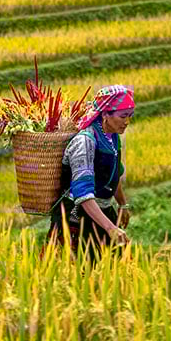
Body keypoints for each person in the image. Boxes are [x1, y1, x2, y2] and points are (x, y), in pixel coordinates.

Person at [46, 84, 134, 263]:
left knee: (118, 276)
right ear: (105, 114)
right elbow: (83, 195)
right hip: (78, 218)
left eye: (130, 116)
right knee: (83, 275)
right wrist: (110, 228)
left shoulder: (112, 137)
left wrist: (122, 205)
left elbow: (114, 174)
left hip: (102, 213)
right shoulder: (85, 142)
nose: (126, 122)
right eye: (123, 116)